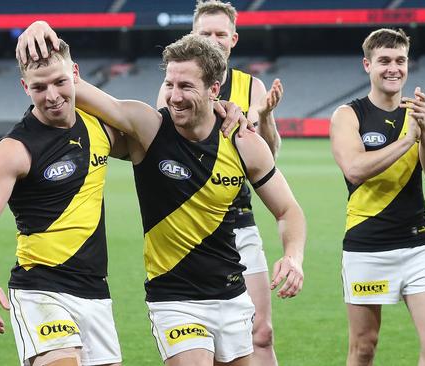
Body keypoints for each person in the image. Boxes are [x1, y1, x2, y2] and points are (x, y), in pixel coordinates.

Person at [21, 25, 305, 365]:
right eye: (169, 84)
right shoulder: (149, 128)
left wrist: (293, 256)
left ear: (214, 89)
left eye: (186, 86)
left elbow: (288, 210)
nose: (174, 95)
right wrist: (39, 27)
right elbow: (72, 86)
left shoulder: (243, 143)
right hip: (174, 299)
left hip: (230, 295)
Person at [0, 38, 128, 366]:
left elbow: (160, 136)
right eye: (39, 87)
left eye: (60, 82)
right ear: (25, 86)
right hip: (41, 288)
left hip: (95, 292)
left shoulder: (101, 128)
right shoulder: (15, 149)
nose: (52, 96)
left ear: (75, 74)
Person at [156, 2, 283, 363]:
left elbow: (267, 157)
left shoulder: (251, 85)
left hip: (239, 219)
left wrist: (266, 118)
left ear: (233, 39)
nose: (213, 40)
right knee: (207, 343)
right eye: (204, 33)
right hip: (192, 225)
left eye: (220, 34)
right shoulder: (175, 88)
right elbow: (158, 144)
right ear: (192, 36)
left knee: (261, 331)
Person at [330, 28, 425, 366]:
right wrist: (407, 139)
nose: (393, 68)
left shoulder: (423, 113)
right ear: (367, 65)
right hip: (367, 245)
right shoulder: (347, 115)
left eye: (400, 60)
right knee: (364, 347)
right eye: (384, 61)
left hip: (418, 245)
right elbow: (354, 169)